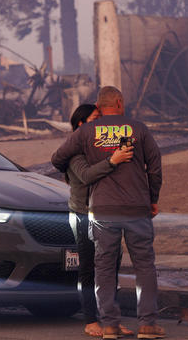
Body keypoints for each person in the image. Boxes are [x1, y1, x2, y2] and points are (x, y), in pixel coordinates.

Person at [52, 86, 164, 339]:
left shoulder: (86, 133)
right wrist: (153, 198)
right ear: (120, 102)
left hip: (102, 211)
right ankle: (147, 324)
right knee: (144, 266)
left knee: (102, 267)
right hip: (137, 208)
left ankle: (110, 325)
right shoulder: (139, 128)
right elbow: (155, 167)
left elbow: (57, 157)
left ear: (101, 107)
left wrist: (72, 172)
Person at [65, 104, 134, 337]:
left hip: (107, 214)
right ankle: (90, 320)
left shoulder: (99, 146)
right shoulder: (74, 150)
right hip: (83, 214)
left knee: (111, 268)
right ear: (81, 124)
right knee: (88, 268)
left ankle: (111, 319)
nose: (101, 124)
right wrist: (113, 161)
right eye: (96, 119)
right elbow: (86, 175)